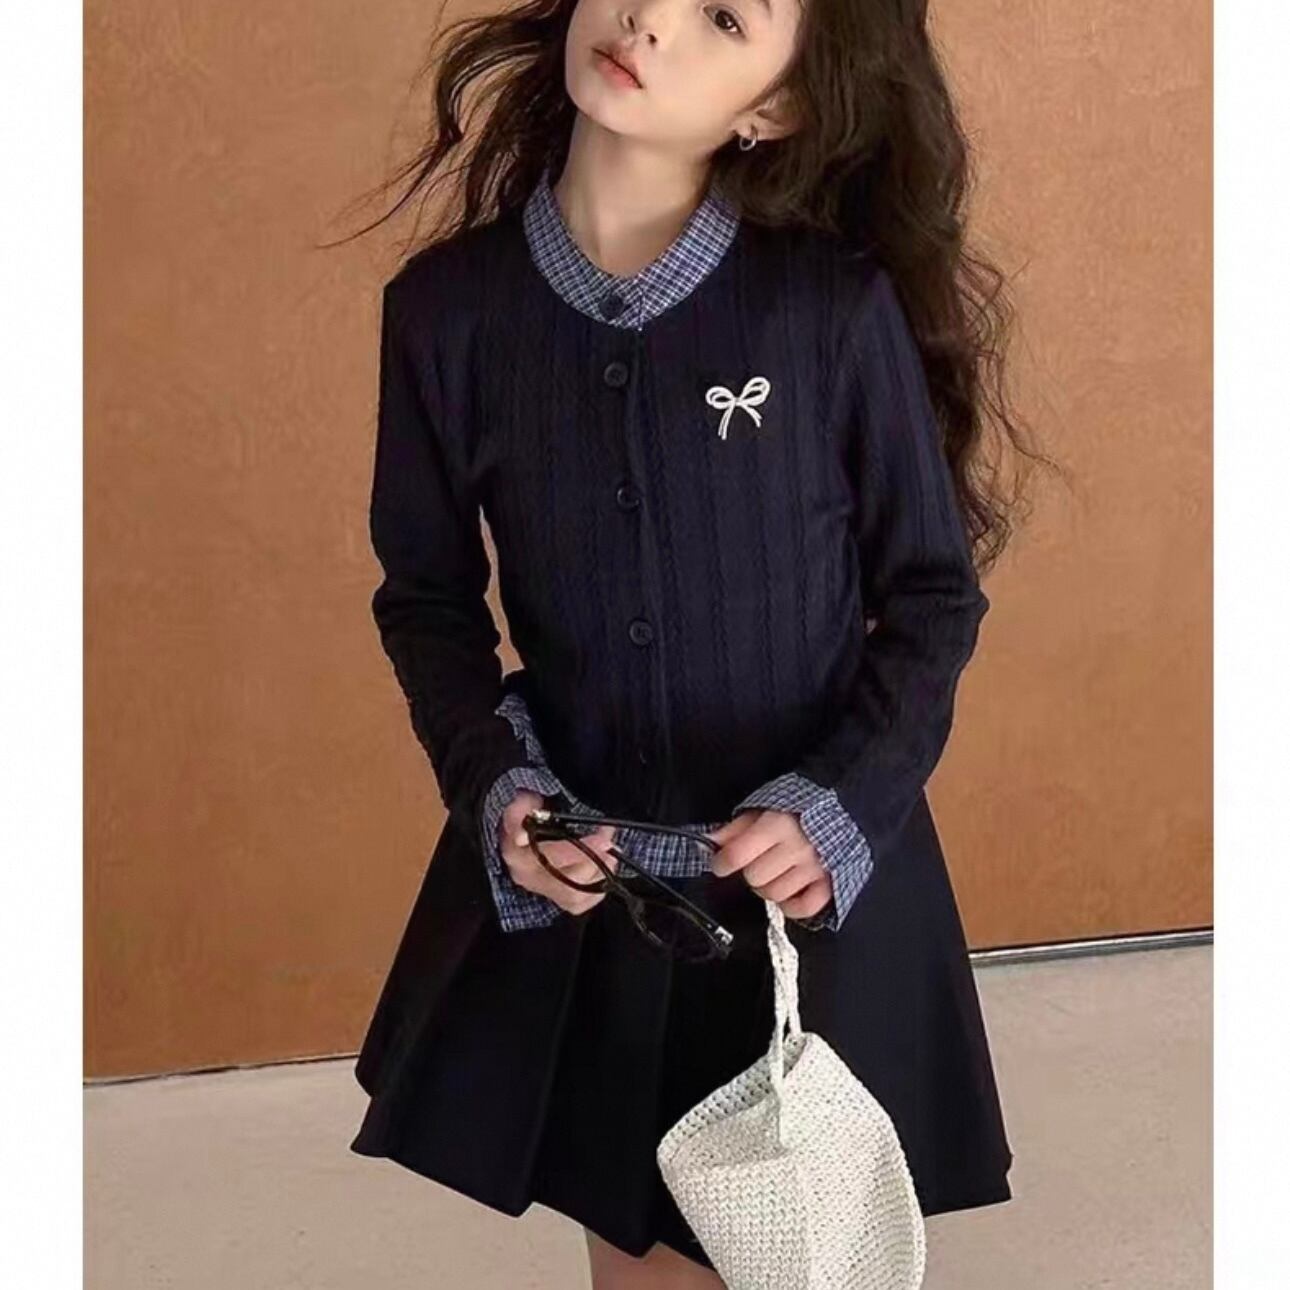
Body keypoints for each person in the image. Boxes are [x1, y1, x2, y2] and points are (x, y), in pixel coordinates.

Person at [345, 0, 1054, 1284]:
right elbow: (428, 602)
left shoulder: (826, 310)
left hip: (814, 905)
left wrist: (838, 805)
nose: (651, 20)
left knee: (809, 1259)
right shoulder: (448, 314)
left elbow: (933, 598)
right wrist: (498, 791)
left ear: (773, 106)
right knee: (638, 1257)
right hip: (607, 909)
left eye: (724, 16)